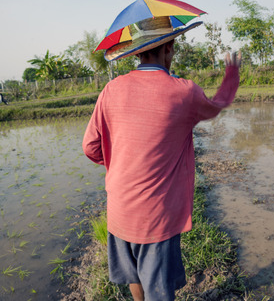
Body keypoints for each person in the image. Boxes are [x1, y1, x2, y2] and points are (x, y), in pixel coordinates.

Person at [82, 15, 241, 301]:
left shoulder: (110, 90)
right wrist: (232, 75)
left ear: (138, 52)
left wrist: (123, 162)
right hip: (155, 216)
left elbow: (91, 147)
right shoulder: (184, 92)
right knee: (159, 289)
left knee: (133, 274)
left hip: (119, 208)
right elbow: (216, 106)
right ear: (168, 49)